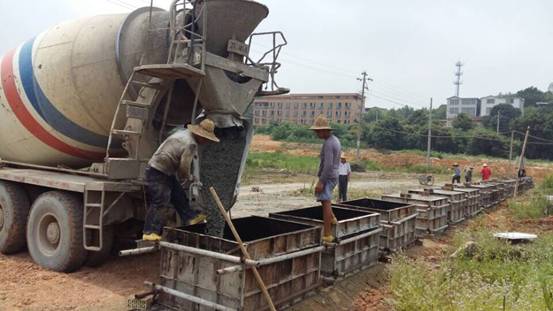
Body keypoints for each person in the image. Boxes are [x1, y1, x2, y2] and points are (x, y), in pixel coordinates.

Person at [142, 119, 220, 241]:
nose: (205, 142)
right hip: (158, 171)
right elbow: (184, 166)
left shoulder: (183, 133)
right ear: (200, 135)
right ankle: (149, 232)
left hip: (164, 170)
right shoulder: (191, 144)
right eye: (206, 139)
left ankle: (190, 217)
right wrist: (188, 178)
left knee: (178, 196)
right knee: (160, 201)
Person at [310, 115, 341, 243]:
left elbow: (328, 165)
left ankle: (327, 235)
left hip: (328, 176)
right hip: (332, 175)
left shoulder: (329, 143)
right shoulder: (334, 140)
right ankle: (332, 218)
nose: (316, 134)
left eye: (318, 131)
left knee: (326, 202)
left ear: (324, 130)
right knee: (324, 200)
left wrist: (321, 181)